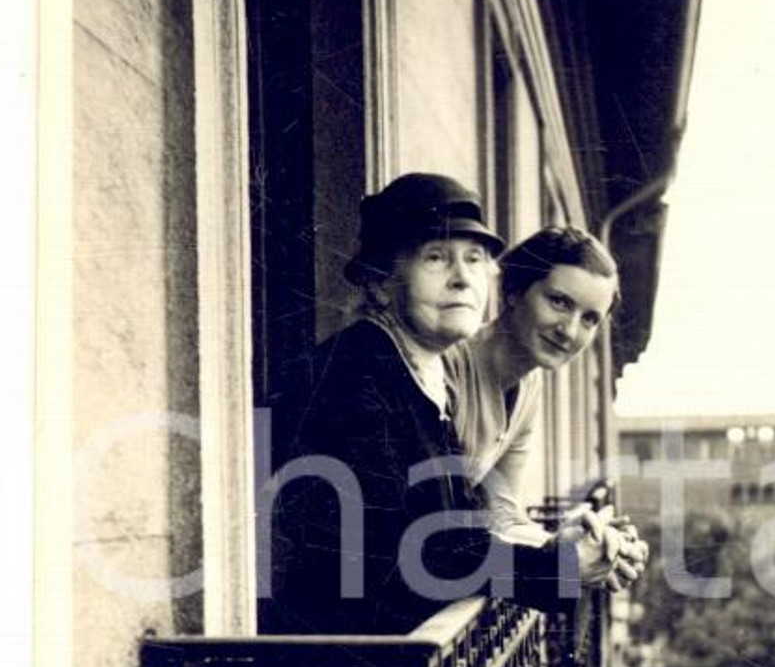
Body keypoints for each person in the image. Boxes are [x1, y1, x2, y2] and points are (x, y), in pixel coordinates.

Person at [261, 175, 630, 635]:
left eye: (474, 260)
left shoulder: (418, 372)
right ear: (380, 282)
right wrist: (559, 567)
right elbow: (416, 552)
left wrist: (561, 551)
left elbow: (465, 527)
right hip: (332, 666)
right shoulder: (357, 373)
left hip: (377, 659)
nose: (461, 278)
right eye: (436, 258)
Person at [444, 224, 647, 586]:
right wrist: (561, 561)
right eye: (559, 302)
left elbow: (501, 515)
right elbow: (449, 529)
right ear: (514, 292)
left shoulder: (529, 382)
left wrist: (596, 549)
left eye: (589, 319)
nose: (569, 331)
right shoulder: (450, 368)